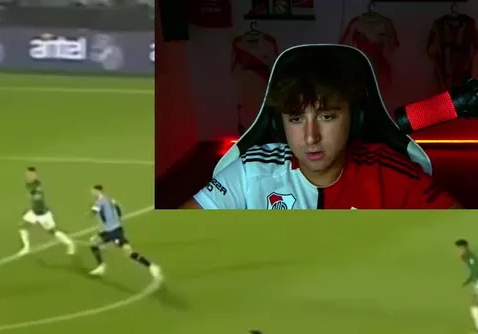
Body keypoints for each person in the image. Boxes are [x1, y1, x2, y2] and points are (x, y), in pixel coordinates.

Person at [183, 44, 459, 210]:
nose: (310, 137)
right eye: (296, 119)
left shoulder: (390, 171)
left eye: (327, 117)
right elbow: (178, 237)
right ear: (279, 124)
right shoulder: (250, 171)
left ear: (354, 118)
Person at [88, 184, 160, 279]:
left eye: (93, 191)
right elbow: (118, 209)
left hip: (112, 231)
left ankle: (151, 266)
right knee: (94, 243)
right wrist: (118, 220)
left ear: (98, 191)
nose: (92, 193)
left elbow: (93, 212)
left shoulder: (99, 202)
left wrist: (89, 212)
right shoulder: (110, 199)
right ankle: (101, 266)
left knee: (128, 252)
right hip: (115, 228)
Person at [19, 167, 76, 257]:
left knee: (53, 232)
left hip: (43, 214)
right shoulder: (28, 184)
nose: (28, 176)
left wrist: (32, 196)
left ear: (35, 175)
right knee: (22, 226)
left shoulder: (38, 186)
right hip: (34, 212)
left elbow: (38, 197)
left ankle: (70, 243)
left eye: (30, 175)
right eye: (27, 174)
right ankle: (26, 248)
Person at [456, 239, 478, 334]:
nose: (460, 251)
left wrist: (469, 280)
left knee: (474, 307)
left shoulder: (472, 258)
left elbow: (476, 272)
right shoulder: (469, 257)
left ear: (465, 247)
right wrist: (467, 281)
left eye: (461, 248)